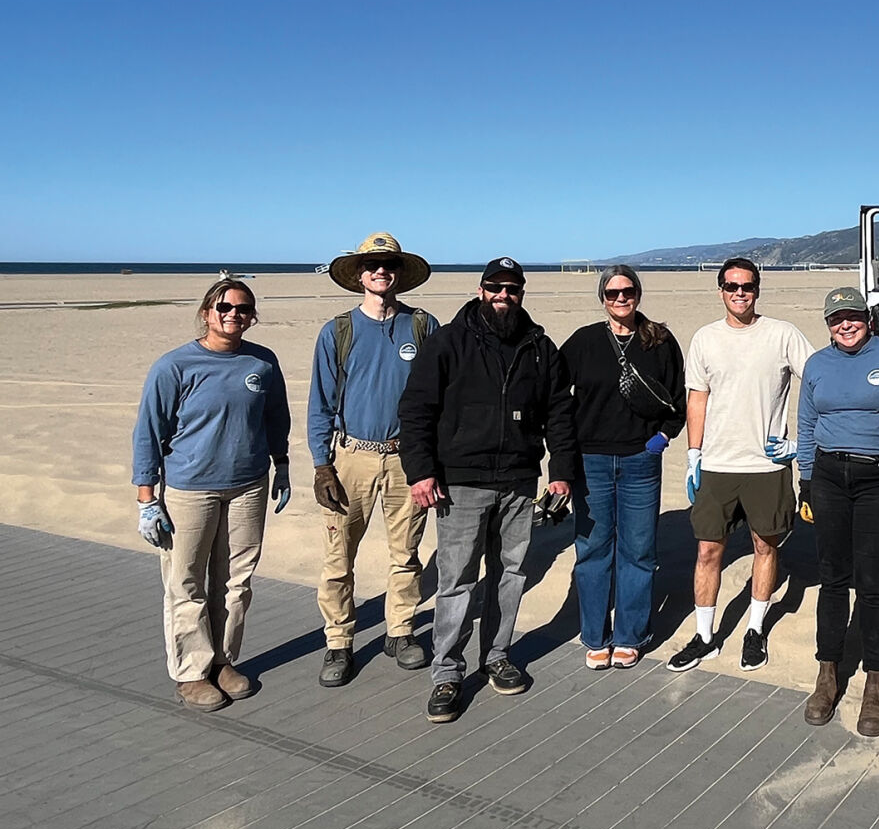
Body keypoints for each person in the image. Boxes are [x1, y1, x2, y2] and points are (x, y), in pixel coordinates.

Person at [398, 256, 579, 723]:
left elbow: (560, 411)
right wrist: (421, 472)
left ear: (521, 293)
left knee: (511, 574)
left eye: (512, 289)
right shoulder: (447, 343)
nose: (504, 295)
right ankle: (447, 672)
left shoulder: (539, 346)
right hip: (460, 482)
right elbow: (416, 410)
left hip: (519, 480)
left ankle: (497, 654)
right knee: (457, 580)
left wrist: (560, 469)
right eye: (495, 287)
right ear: (481, 290)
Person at [132, 279, 292, 711]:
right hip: (190, 490)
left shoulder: (262, 362)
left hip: (248, 485)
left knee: (236, 582)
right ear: (206, 312)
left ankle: (223, 661)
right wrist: (148, 499)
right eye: (224, 306)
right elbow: (149, 432)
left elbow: (276, 416)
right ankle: (190, 672)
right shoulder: (175, 366)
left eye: (243, 309)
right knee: (186, 583)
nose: (233, 314)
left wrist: (283, 464)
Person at [670, 256, 813, 672]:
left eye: (747, 286)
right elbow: (697, 397)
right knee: (708, 550)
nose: (739, 293)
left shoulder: (782, 334)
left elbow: (818, 381)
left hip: (767, 467)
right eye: (731, 286)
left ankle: (754, 629)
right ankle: (704, 635)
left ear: (757, 290)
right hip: (716, 464)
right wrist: (693, 454)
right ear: (720, 290)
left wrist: (799, 443)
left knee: (764, 547)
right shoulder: (705, 338)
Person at [308, 232, 436, 687]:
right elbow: (320, 403)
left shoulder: (423, 326)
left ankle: (400, 631)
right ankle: (338, 641)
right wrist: (322, 465)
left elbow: (440, 397)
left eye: (389, 265)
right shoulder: (337, 331)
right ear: (360, 275)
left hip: (407, 459)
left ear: (400, 274)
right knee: (338, 555)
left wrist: (433, 461)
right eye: (372, 265)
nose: (381, 271)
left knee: (406, 553)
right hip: (352, 457)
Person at [561, 265, 687, 670]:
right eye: (613, 293)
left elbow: (679, 398)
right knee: (594, 549)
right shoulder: (584, 342)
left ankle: (630, 635)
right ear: (602, 298)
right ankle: (595, 634)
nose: (621, 298)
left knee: (638, 552)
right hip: (591, 461)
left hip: (640, 460)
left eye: (628, 291)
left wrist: (662, 438)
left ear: (638, 294)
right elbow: (555, 393)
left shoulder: (660, 341)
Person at [796, 285, 879, 736]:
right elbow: (805, 423)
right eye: (837, 318)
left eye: (854, 316)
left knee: (874, 583)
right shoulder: (817, 364)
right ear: (827, 325)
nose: (846, 324)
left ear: (869, 319)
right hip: (827, 477)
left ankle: (876, 681)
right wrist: (804, 480)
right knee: (832, 577)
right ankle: (828, 672)